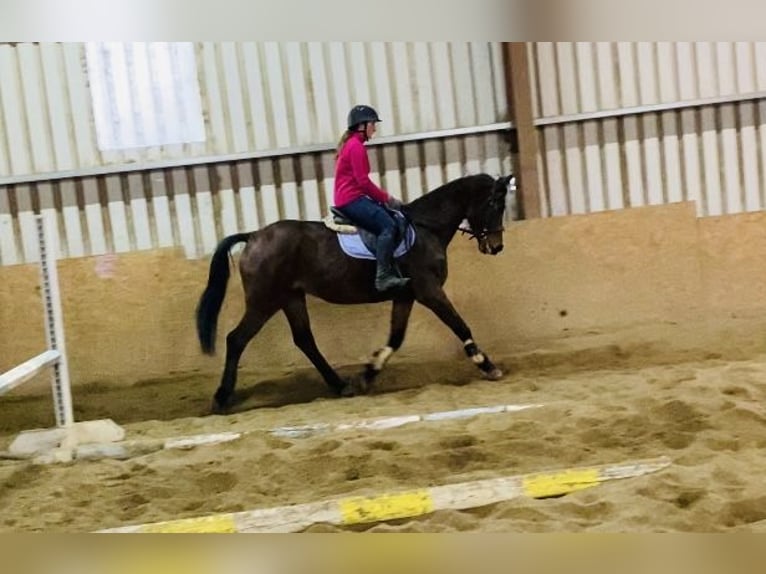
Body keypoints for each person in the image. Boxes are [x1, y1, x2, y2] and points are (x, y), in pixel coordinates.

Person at [333, 104, 410, 292]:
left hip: (350, 197)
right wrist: (387, 198)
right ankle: (383, 276)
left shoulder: (351, 144)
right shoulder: (356, 147)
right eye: (373, 124)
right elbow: (363, 182)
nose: (374, 128)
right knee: (388, 226)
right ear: (362, 125)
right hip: (351, 199)